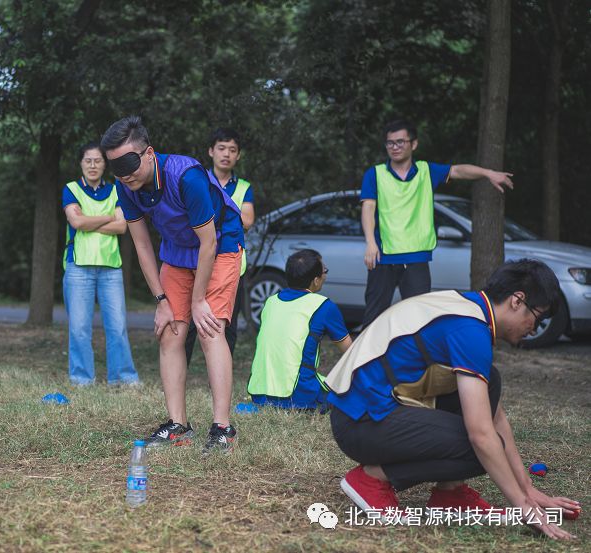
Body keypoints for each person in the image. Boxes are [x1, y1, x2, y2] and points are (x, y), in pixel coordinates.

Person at [326, 259, 580, 540]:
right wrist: (524, 507)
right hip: (360, 423)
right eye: (538, 318)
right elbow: (481, 435)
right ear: (517, 301)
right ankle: (371, 479)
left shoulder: (469, 309)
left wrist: (528, 489)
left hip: (364, 414)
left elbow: (495, 416)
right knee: (483, 449)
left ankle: (451, 494)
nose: (534, 329)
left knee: (491, 382)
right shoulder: (470, 329)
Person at [101, 116, 245, 453]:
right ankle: (178, 425)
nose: (124, 174)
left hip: (220, 245)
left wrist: (198, 301)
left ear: (149, 153)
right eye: (116, 168)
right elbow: (141, 245)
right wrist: (162, 300)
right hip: (178, 251)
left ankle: (223, 428)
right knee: (170, 331)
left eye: (129, 164)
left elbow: (208, 243)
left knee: (210, 328)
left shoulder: (186, 176)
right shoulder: (126, 186)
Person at [360, 119, 515, 328]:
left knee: (417, 321)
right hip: (383, 257)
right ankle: (367, 351)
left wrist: (488, 173)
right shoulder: (375, 174)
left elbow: (458, 171)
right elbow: (368, 208)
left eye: (400, 142)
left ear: (414, 144)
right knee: (374, 318)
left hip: (417, 258)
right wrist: (370, 243)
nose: (395, 147)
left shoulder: (426, 171)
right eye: (390, 143)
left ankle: (411, 352)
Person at [62, 142, 138, 386]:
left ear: (105, 164)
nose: (93, 165)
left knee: (118, 326)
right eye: (88, 160)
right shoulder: (71, 189)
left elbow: (122, 226)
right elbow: (76, 223)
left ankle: (122, 378)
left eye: (97, 160)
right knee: (79, 329)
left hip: (111, 268)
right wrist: (108, 217)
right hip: (78, 267)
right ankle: (81, 379)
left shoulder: (117, 190)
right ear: (81, 163)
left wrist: (89, 221)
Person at [248, 249, 352, 411]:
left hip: (259, 395)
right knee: (349, 395)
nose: (325, 275)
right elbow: (350, 351)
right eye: (324, 271)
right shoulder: (324, 306)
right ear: (315, 280)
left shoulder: (270, 302)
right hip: (298, 397)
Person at [185, 128, 255, 364]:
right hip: (197, 261)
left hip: (232, 265)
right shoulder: (198, 180)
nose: (226, 154)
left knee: (227, 325)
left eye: (232, 150)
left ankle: (219, 376)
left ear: (238, 155)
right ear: (211, 151)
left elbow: (248, 220)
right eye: (221, 148)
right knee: (188, 324)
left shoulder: (244, 187)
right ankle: (180, 373)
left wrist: (214, 211)